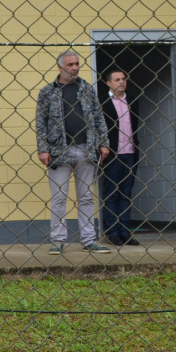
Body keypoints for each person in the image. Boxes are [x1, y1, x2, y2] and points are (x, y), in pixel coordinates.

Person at [35, 51, 110, 255]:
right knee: (59, 197)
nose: (75, 67)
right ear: (60, 67)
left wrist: (103, 142)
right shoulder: (47, 92)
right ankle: (58, 240)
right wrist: (43, 149)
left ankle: (88, 239)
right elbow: (40, 122)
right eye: (70, 65)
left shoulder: (86, 89)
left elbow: (98, 117)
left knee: (86, 197)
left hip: (87, 148)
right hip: (59, 151)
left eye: (77, 63)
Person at [100, 69, 141, 247]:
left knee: (126, 194)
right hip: (112, 154)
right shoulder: (102, 103)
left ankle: (125, 231)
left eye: (123, 79)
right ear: (109, 83)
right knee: (111, 194)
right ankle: (113, 232)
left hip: (130, 152)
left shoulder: (132, 100)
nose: (121, 82)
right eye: (117, 80)